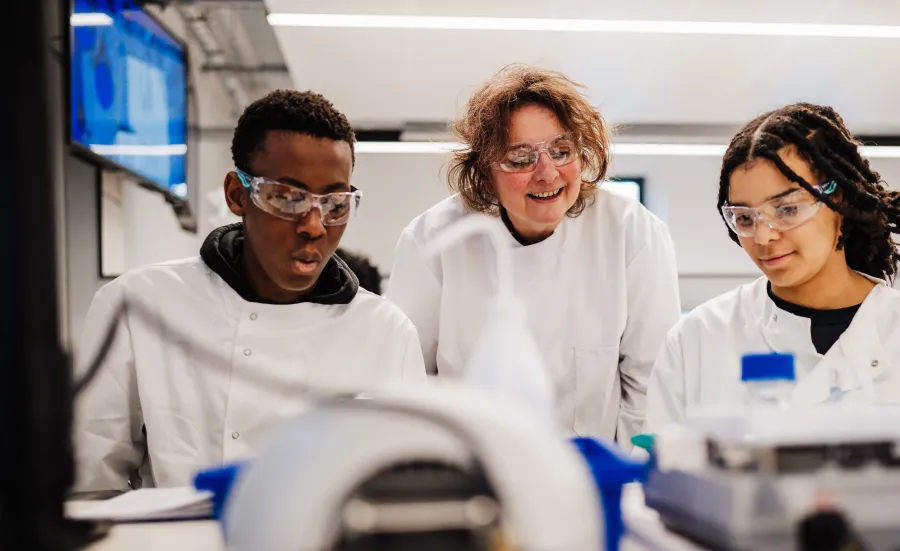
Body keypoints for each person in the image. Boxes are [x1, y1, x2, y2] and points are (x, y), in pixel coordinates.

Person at [73, 89, 426, 496]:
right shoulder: (138, 305)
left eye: (334, 203)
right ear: (238, 195)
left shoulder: (386, 332)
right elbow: (92, 486)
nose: (314, 224)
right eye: (288, 198)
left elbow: (401, 490)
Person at [386, 65, 681, 447]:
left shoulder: (630, 231)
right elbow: (409, 385)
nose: (547, 174)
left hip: (593, 479)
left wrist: (628, 481)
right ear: (484, 171)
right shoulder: (434, 242)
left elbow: (650, 385)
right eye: (520, 158)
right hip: (475, 478)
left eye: (561, 151)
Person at [643, 103, 900, 432]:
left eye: (787, 209)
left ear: (841, 200)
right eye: (745, 218)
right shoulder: (700, 338)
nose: (763, 236)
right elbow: (659, 475)